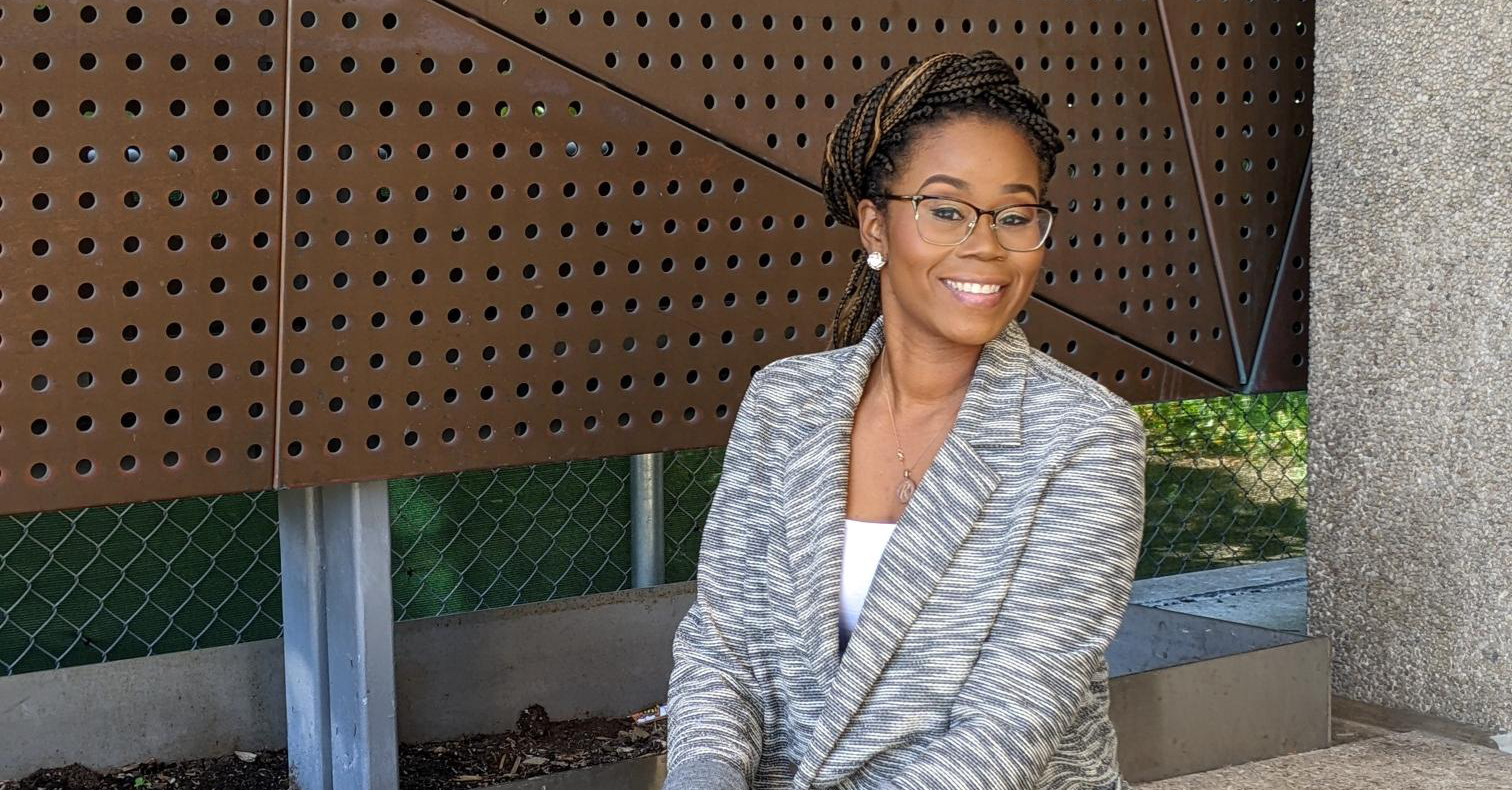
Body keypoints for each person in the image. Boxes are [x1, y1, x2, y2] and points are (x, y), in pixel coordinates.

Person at [663, 50, 1147, 790]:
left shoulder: (1083, 436)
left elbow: (1009, 725)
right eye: (946, 210)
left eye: (1016, 215)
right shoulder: (784, 405)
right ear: (874, 227)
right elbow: (723, 653)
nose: (986, 244)